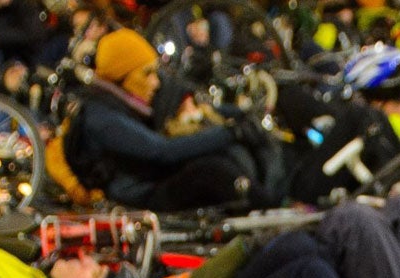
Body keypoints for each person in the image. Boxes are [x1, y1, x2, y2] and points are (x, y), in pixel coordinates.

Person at [61, 29, 265, 211]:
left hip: (151, 184)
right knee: (211, 171)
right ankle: (269, 206)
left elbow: (181, 107)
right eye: (147, 73)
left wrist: (235, 113)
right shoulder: (101, 117)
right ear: (121, 76)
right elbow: (161, 151)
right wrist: (230, 133)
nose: (155, 83)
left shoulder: (121, 103)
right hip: (139, 197)